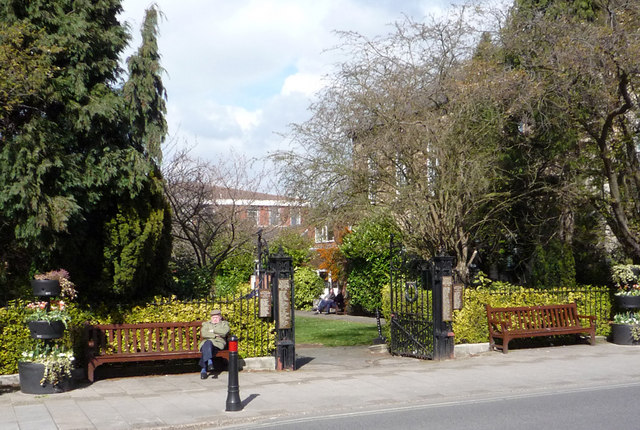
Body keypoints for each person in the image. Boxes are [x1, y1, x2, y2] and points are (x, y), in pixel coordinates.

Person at [199, 309, 230, 379]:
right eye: (213, 318)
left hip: (218, 343)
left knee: (207, 347)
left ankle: (204, 369)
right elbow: (204, 334)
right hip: (207, 343)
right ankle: (209, 361)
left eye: (216, 317)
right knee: (208, 344)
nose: (215, 319)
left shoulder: (224, 324)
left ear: (220, 317)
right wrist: (215, 335)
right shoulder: (206, 324)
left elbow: (224, 332)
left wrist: (212, 331)